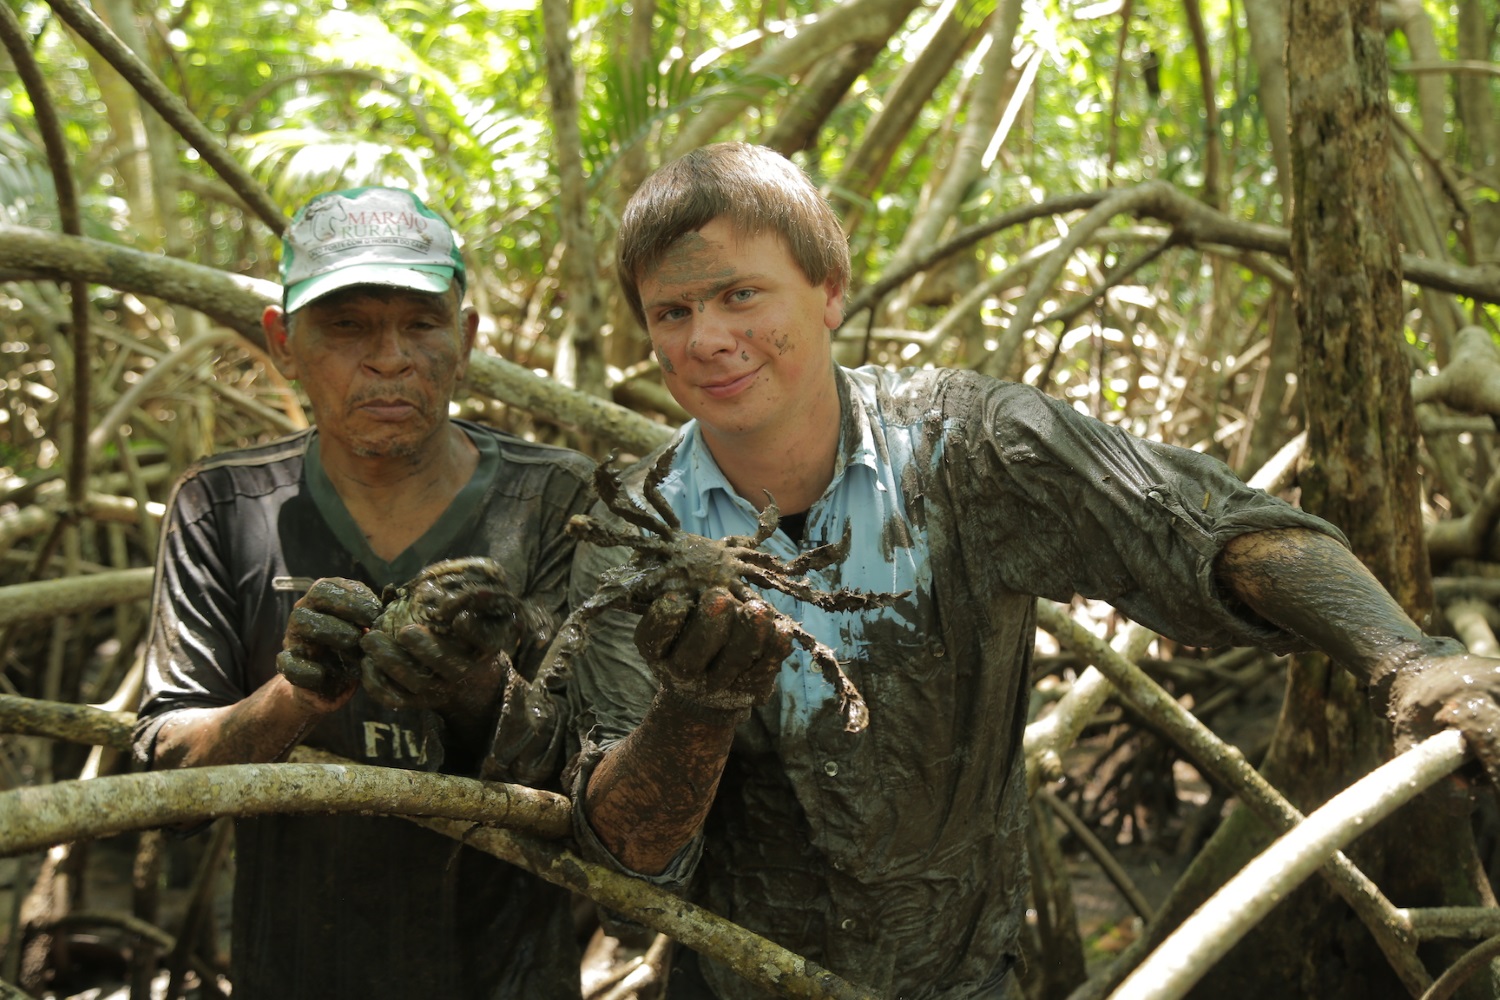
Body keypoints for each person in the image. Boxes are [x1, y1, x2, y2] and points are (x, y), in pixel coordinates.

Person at [564, 142, 1500, 1000]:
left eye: (740, 296)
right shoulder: (630, 531)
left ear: (830, 290)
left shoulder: (964, 448)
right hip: (735, 984)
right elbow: (628, 862)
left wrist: (1405, 660)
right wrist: (694, 709)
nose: (706, 340)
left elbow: (1205, 526)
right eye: (672, 313)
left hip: (968, 976)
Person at [133, 186, 595, 999]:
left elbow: (600, 777)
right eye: (347, 327)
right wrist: (298, 693)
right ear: (284, 342)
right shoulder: (223, 506)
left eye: (421, 323)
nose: (390, 358)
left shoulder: (562, 503)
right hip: (300, 971)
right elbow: (164, 779)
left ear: (467, 337)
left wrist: (472, 685)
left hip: (507, 978)